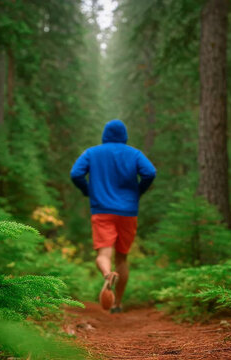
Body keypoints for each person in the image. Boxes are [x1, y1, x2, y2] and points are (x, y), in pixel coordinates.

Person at [70, 119, 156, 313]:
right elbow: (150, 172)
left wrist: (88, 191)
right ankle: (117, 303)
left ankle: (108, 274)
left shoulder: (92, 153)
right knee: (122, 258)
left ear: (105, 135)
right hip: (128, 212)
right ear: (124, 136)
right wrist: (137, 192)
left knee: (103, 254)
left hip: (101, 210)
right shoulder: (134, 154)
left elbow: (76, 174)